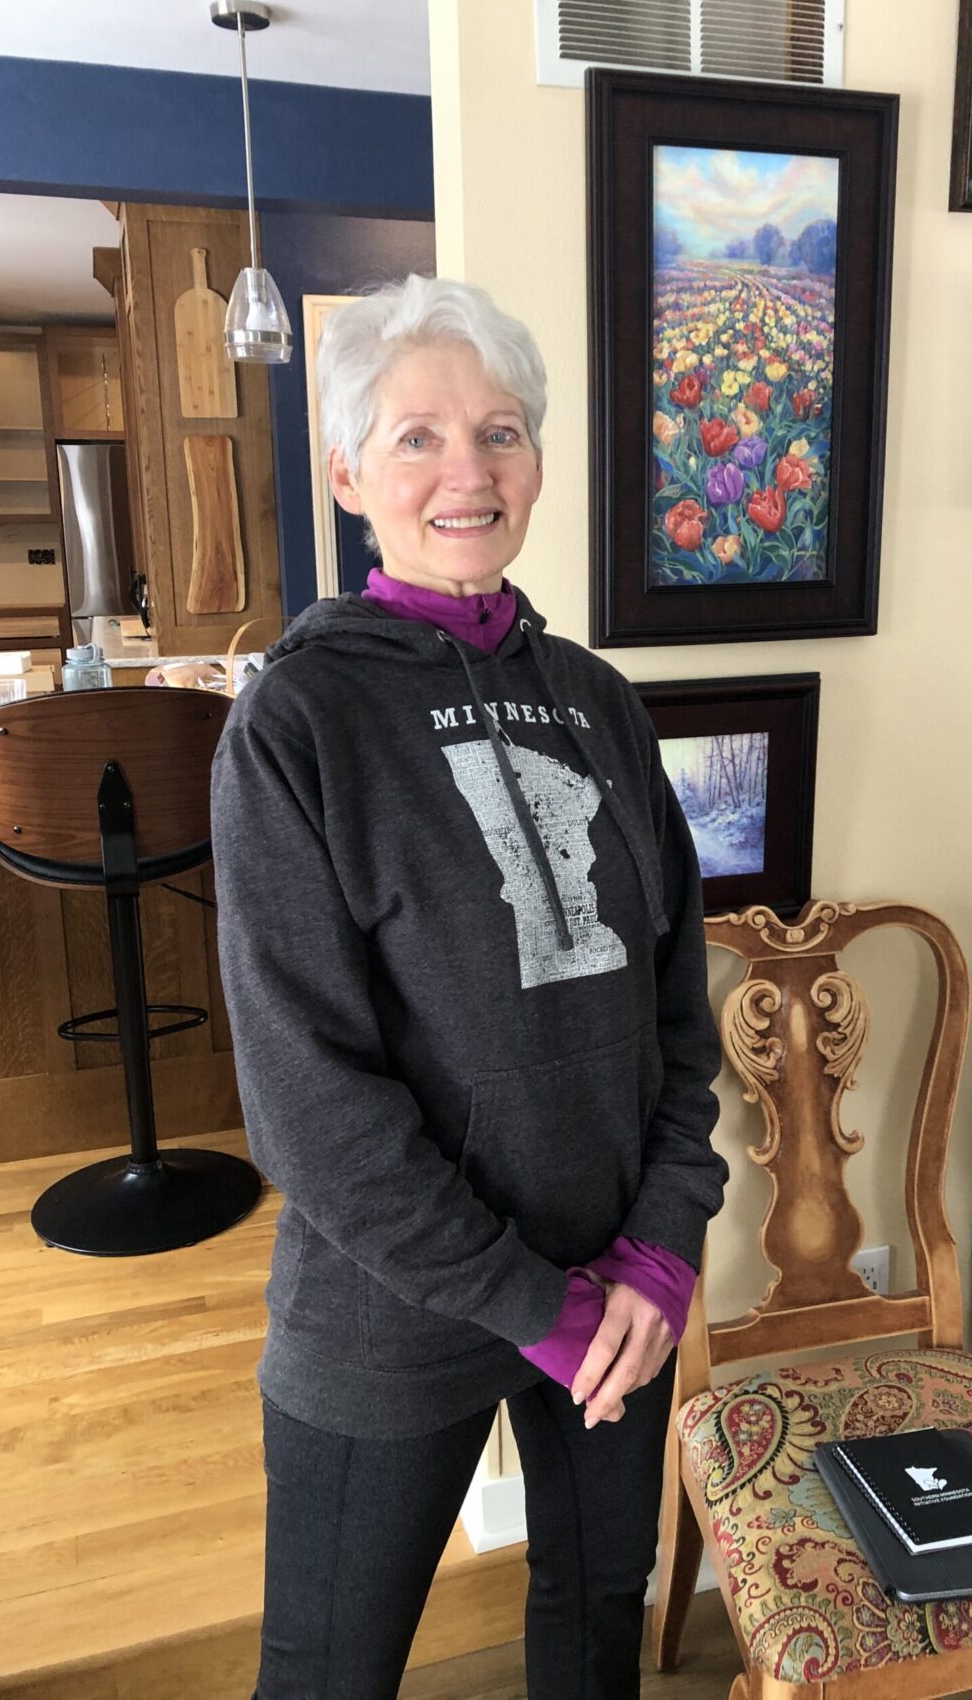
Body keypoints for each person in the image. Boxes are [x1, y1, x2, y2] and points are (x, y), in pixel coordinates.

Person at [210, 273, 729, 1700]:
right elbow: (310, 1105)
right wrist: (531, 1303)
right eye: (421, 436)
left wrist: (660, 1248)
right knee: (327, 1666)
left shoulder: (600, 703)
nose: (468, 472)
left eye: (501, 433)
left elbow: (684, 1018)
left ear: (540, 464)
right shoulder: (295, 727)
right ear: (347, 467)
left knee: (592, 1629)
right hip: (392, 1307)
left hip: (618, 1291)